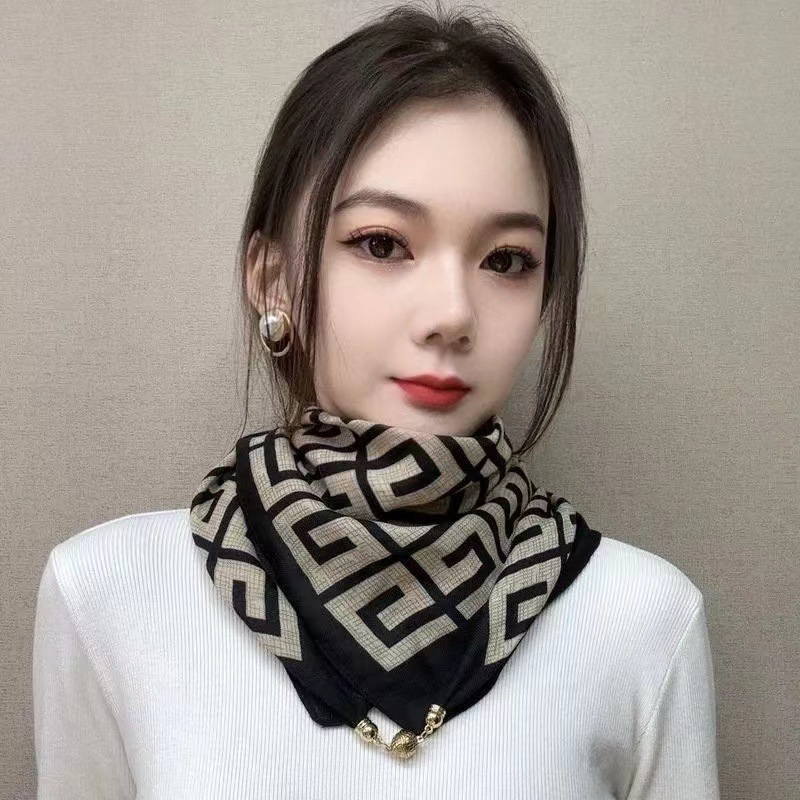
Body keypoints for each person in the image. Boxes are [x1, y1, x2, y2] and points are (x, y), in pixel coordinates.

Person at [32, 2, 720, 797]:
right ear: (272, 278)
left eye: (506, 259)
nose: (452, 315)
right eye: (382, 243)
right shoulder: (107, 594)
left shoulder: (646, 621)